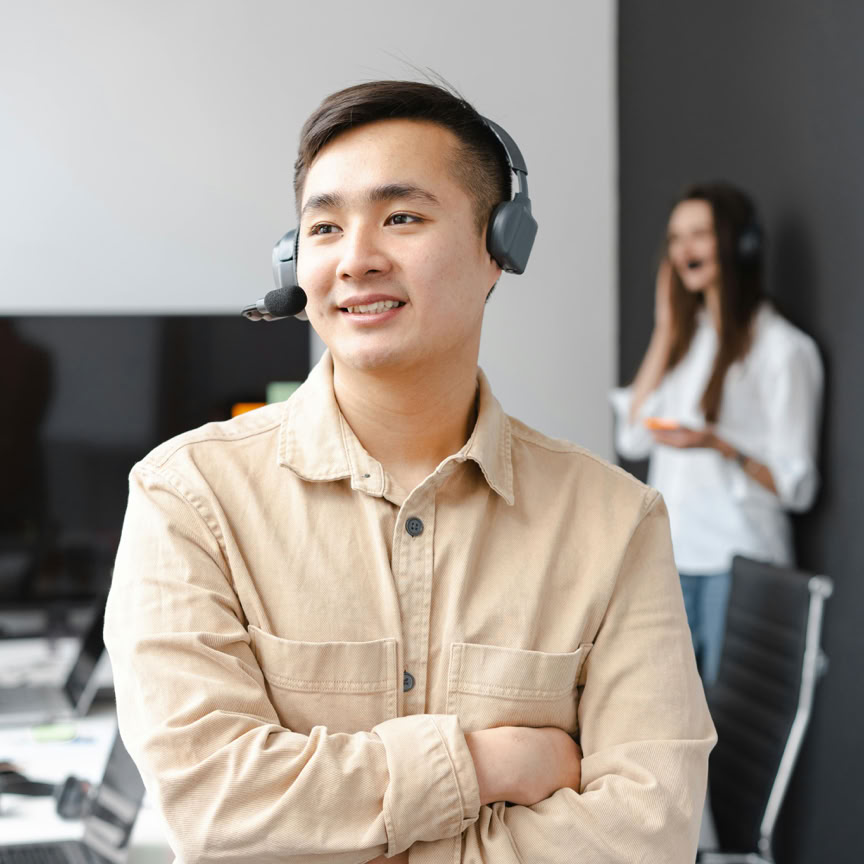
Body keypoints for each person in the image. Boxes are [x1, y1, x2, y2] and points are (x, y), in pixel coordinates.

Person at [105, 81, 715, 864]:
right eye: (324, 226)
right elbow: (217, 814)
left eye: (402, 217)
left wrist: (333, 831)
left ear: (500, 247)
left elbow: (648, 834)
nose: (356, 259)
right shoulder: (185, 499)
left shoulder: (615, 522)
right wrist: (486, 766)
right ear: (296, 262)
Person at [610, 182, 823, 687]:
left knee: (732, 724)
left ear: (738, 244)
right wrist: (664, 328)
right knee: (670, 722)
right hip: (673, 558)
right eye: (676, 238)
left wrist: (719, 445)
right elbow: (633, 439)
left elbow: (799, 487)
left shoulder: (783, 351)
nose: (684, 249)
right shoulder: (686, 343)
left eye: (699, 234)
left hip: (738, 561)